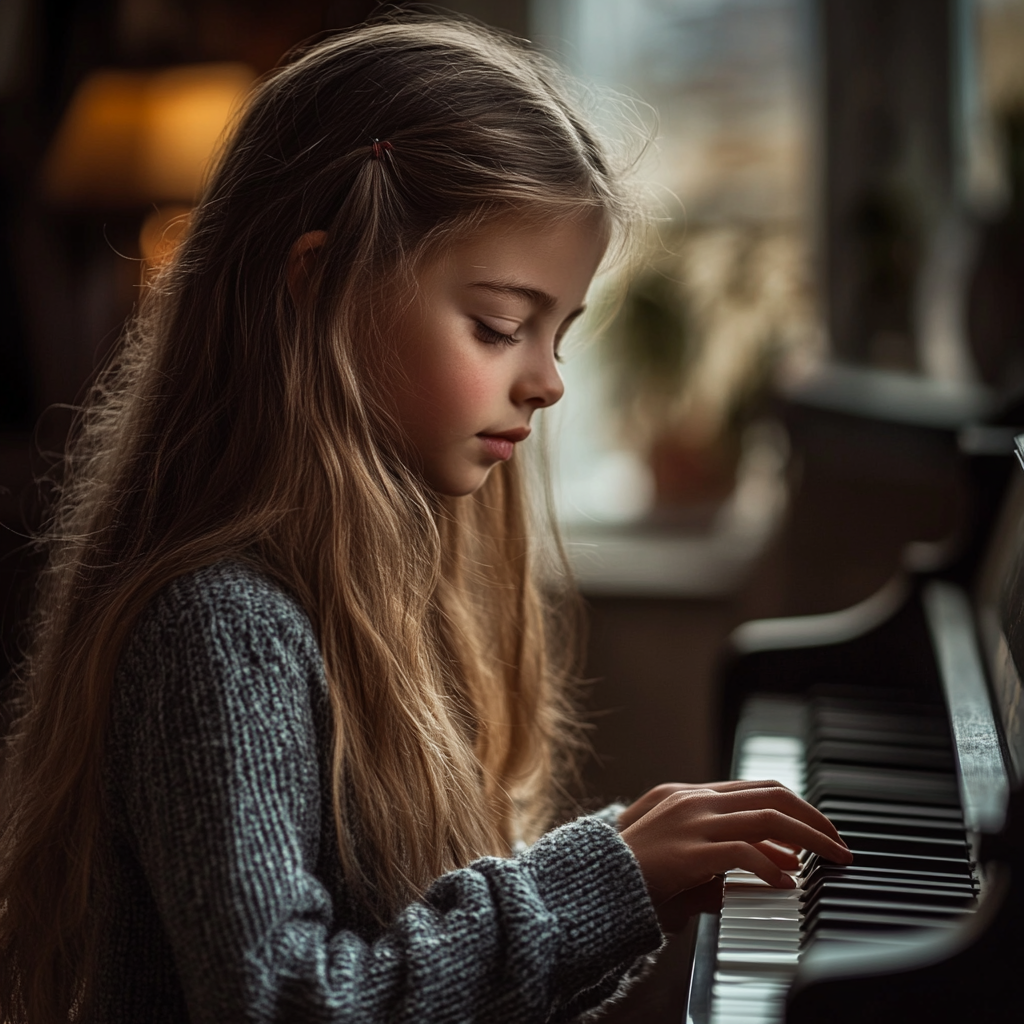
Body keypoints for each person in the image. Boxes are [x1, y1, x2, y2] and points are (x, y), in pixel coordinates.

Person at [0, 15, 851, 1024]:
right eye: (499, 324)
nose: (545, 381)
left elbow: (412, 964)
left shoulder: (391, 593)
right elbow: (286, 1002)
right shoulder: (223, 631)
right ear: (318, 286)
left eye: (558, 333)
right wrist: (598, 879)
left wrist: (633, 888)